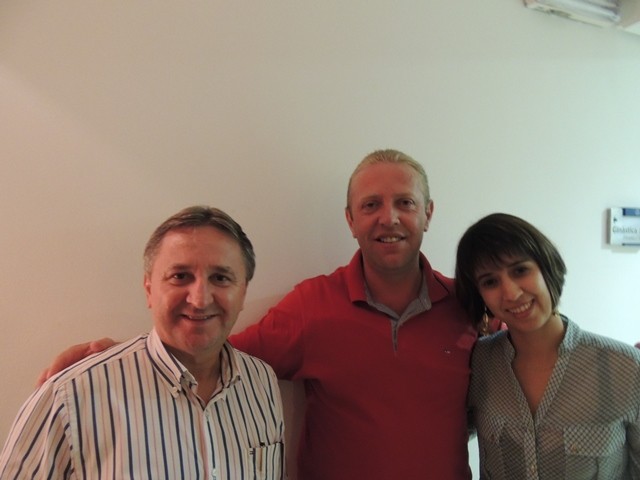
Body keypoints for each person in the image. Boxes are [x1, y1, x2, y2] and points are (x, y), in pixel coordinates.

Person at [36, 150, 478, 480]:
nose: (389, 218)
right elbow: (208, 350)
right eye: (371, 205)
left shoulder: (469, 306)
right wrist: (124, 353)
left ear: (428, 214)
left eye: (405, 203)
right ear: (350, 220)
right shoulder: (313, 305)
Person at [1, 206, 285, 479]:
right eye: (180, 276)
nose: (200, 299)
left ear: (243, 292)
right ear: (149, 289)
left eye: (220, 278)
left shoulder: (262, 384)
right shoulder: (69, 398)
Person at [455, 212, 640, 479]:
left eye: (520, 270)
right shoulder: (479, 363)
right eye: (490, 282)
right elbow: (445, 435)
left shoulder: (627, 368)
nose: (512, 293)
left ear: (546, 268)